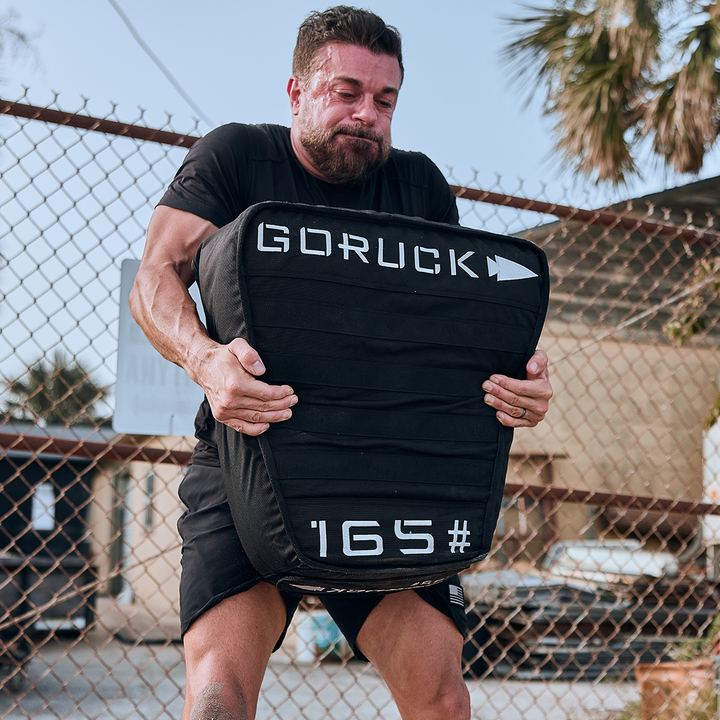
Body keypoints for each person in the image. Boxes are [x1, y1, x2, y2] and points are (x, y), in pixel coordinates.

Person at [130, 6, 553, 719]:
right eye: (347, 92)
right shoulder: (235, 156)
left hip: (384, 475)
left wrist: (519, 380)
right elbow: (154, 278)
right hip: (250, 462)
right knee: (216, 700)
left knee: (444, 702)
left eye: (385, 100)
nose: (368, 114)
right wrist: (207, 362)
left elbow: (451, 334)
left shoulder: (418, 187)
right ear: (296, 93)